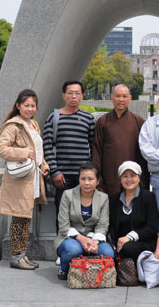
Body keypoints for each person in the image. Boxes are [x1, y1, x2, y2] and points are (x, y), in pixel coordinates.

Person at [0, 89, 50, 270]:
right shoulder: (13, 126)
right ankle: (16, 257)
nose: (30, 109)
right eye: (26, 105)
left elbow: (38, 150)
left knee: (25, 218)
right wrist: (24, 153)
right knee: (19, 218)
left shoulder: (33, 124)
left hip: (32, 178)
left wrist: (44, 165)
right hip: (19, 180)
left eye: (33, 106)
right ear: (18, 105)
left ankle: (21, 255)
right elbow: (1, 149)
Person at [43, 80, 96, 231]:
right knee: (63, 215)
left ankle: (82, 244)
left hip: (83, 177)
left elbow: (93, 146)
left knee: (84, 215)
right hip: (62, 177)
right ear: (63, 95)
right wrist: (55, 171)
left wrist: (92, 173)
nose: (73, 96)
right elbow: (47, 145)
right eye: (70, 93)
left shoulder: (88, 118)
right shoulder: (54, 117)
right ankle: (62, 244)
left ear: (82, 96)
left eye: (77, 93)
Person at [54, 162, 115, 280]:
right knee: (73, 250)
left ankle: (89, 269)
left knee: (108, 253)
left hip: (93, 238)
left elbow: (102, 225)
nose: (86, 182)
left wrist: (94, 242)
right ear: (79, 179)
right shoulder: (68, 195)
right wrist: (82, 239)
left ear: (97, 181)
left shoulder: (103, 198)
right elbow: (63, 225)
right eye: (83, 179)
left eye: (90, 179)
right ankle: (64, 268)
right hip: (69, 238)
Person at [92, 84, 148, 194]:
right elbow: (97, 151)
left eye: (124, 96)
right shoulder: (103, 121)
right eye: (117, 96)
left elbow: (143, 152)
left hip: (132, 174)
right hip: (109, 174)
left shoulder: (138, 121)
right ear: (111, 97)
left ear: (130, 98)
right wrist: (98, 177)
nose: (121, 99)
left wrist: (143, 179)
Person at [108, 161, 158, 262]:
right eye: (125, 176)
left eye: (133, 175)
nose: (129, 179)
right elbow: (108, 224)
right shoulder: (114, 199)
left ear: (139, 178)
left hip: (144, 242)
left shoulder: (148, 197)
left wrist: (130, 237)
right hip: (120, 244)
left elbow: (152, 227)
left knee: (127, 248)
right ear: (120, 179)